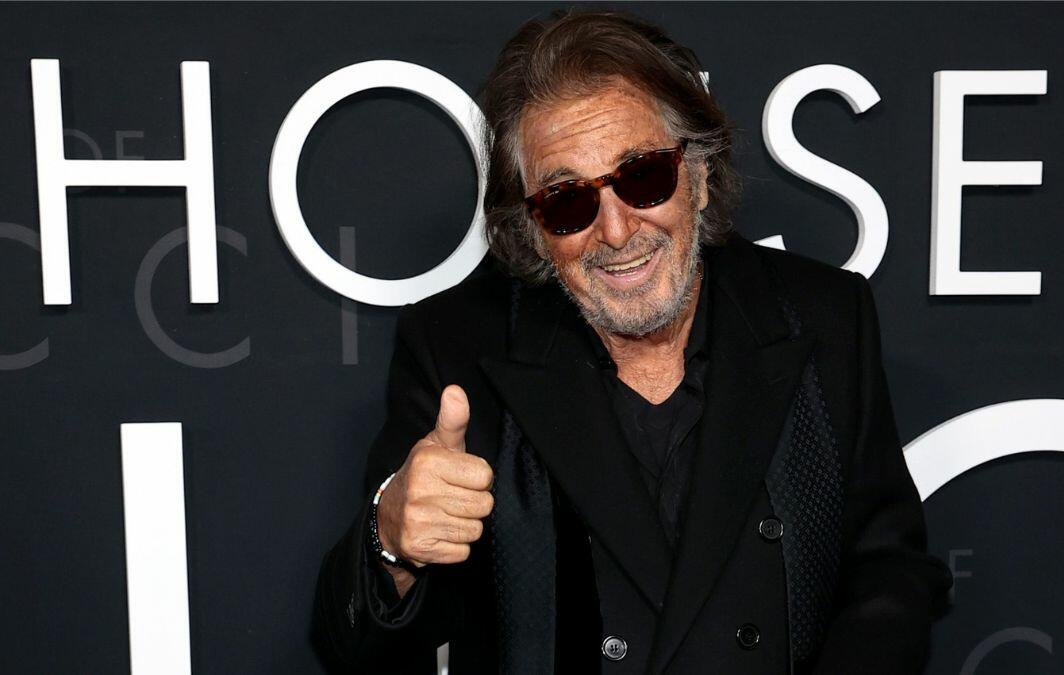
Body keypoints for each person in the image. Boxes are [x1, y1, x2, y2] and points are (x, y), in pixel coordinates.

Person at [312, 8, 952, 674]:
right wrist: (391, 543)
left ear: (699, 175)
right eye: (567, 201)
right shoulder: (455, 348)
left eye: (643, 176)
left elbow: (890, 574)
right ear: (533, 230)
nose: (616, 232)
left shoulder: (821, 317)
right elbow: (346, 644)